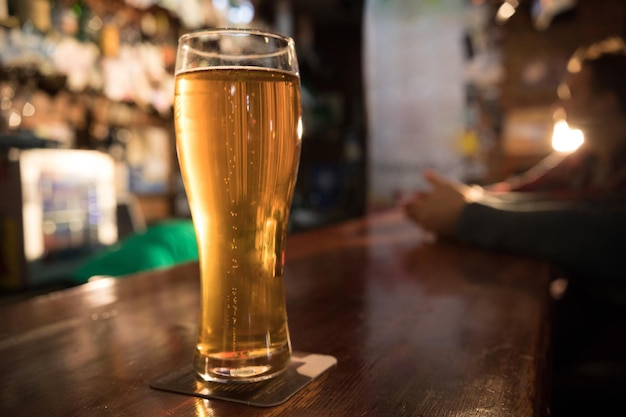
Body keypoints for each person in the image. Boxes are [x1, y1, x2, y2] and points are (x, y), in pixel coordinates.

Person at [403, 36, 626, 416]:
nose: (561, 103)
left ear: (605, 104)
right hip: (588, 317)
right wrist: (467, 199)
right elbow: (522, 193)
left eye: (572, 92)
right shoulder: (587, 159)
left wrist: (466, 213)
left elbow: (603, 230)